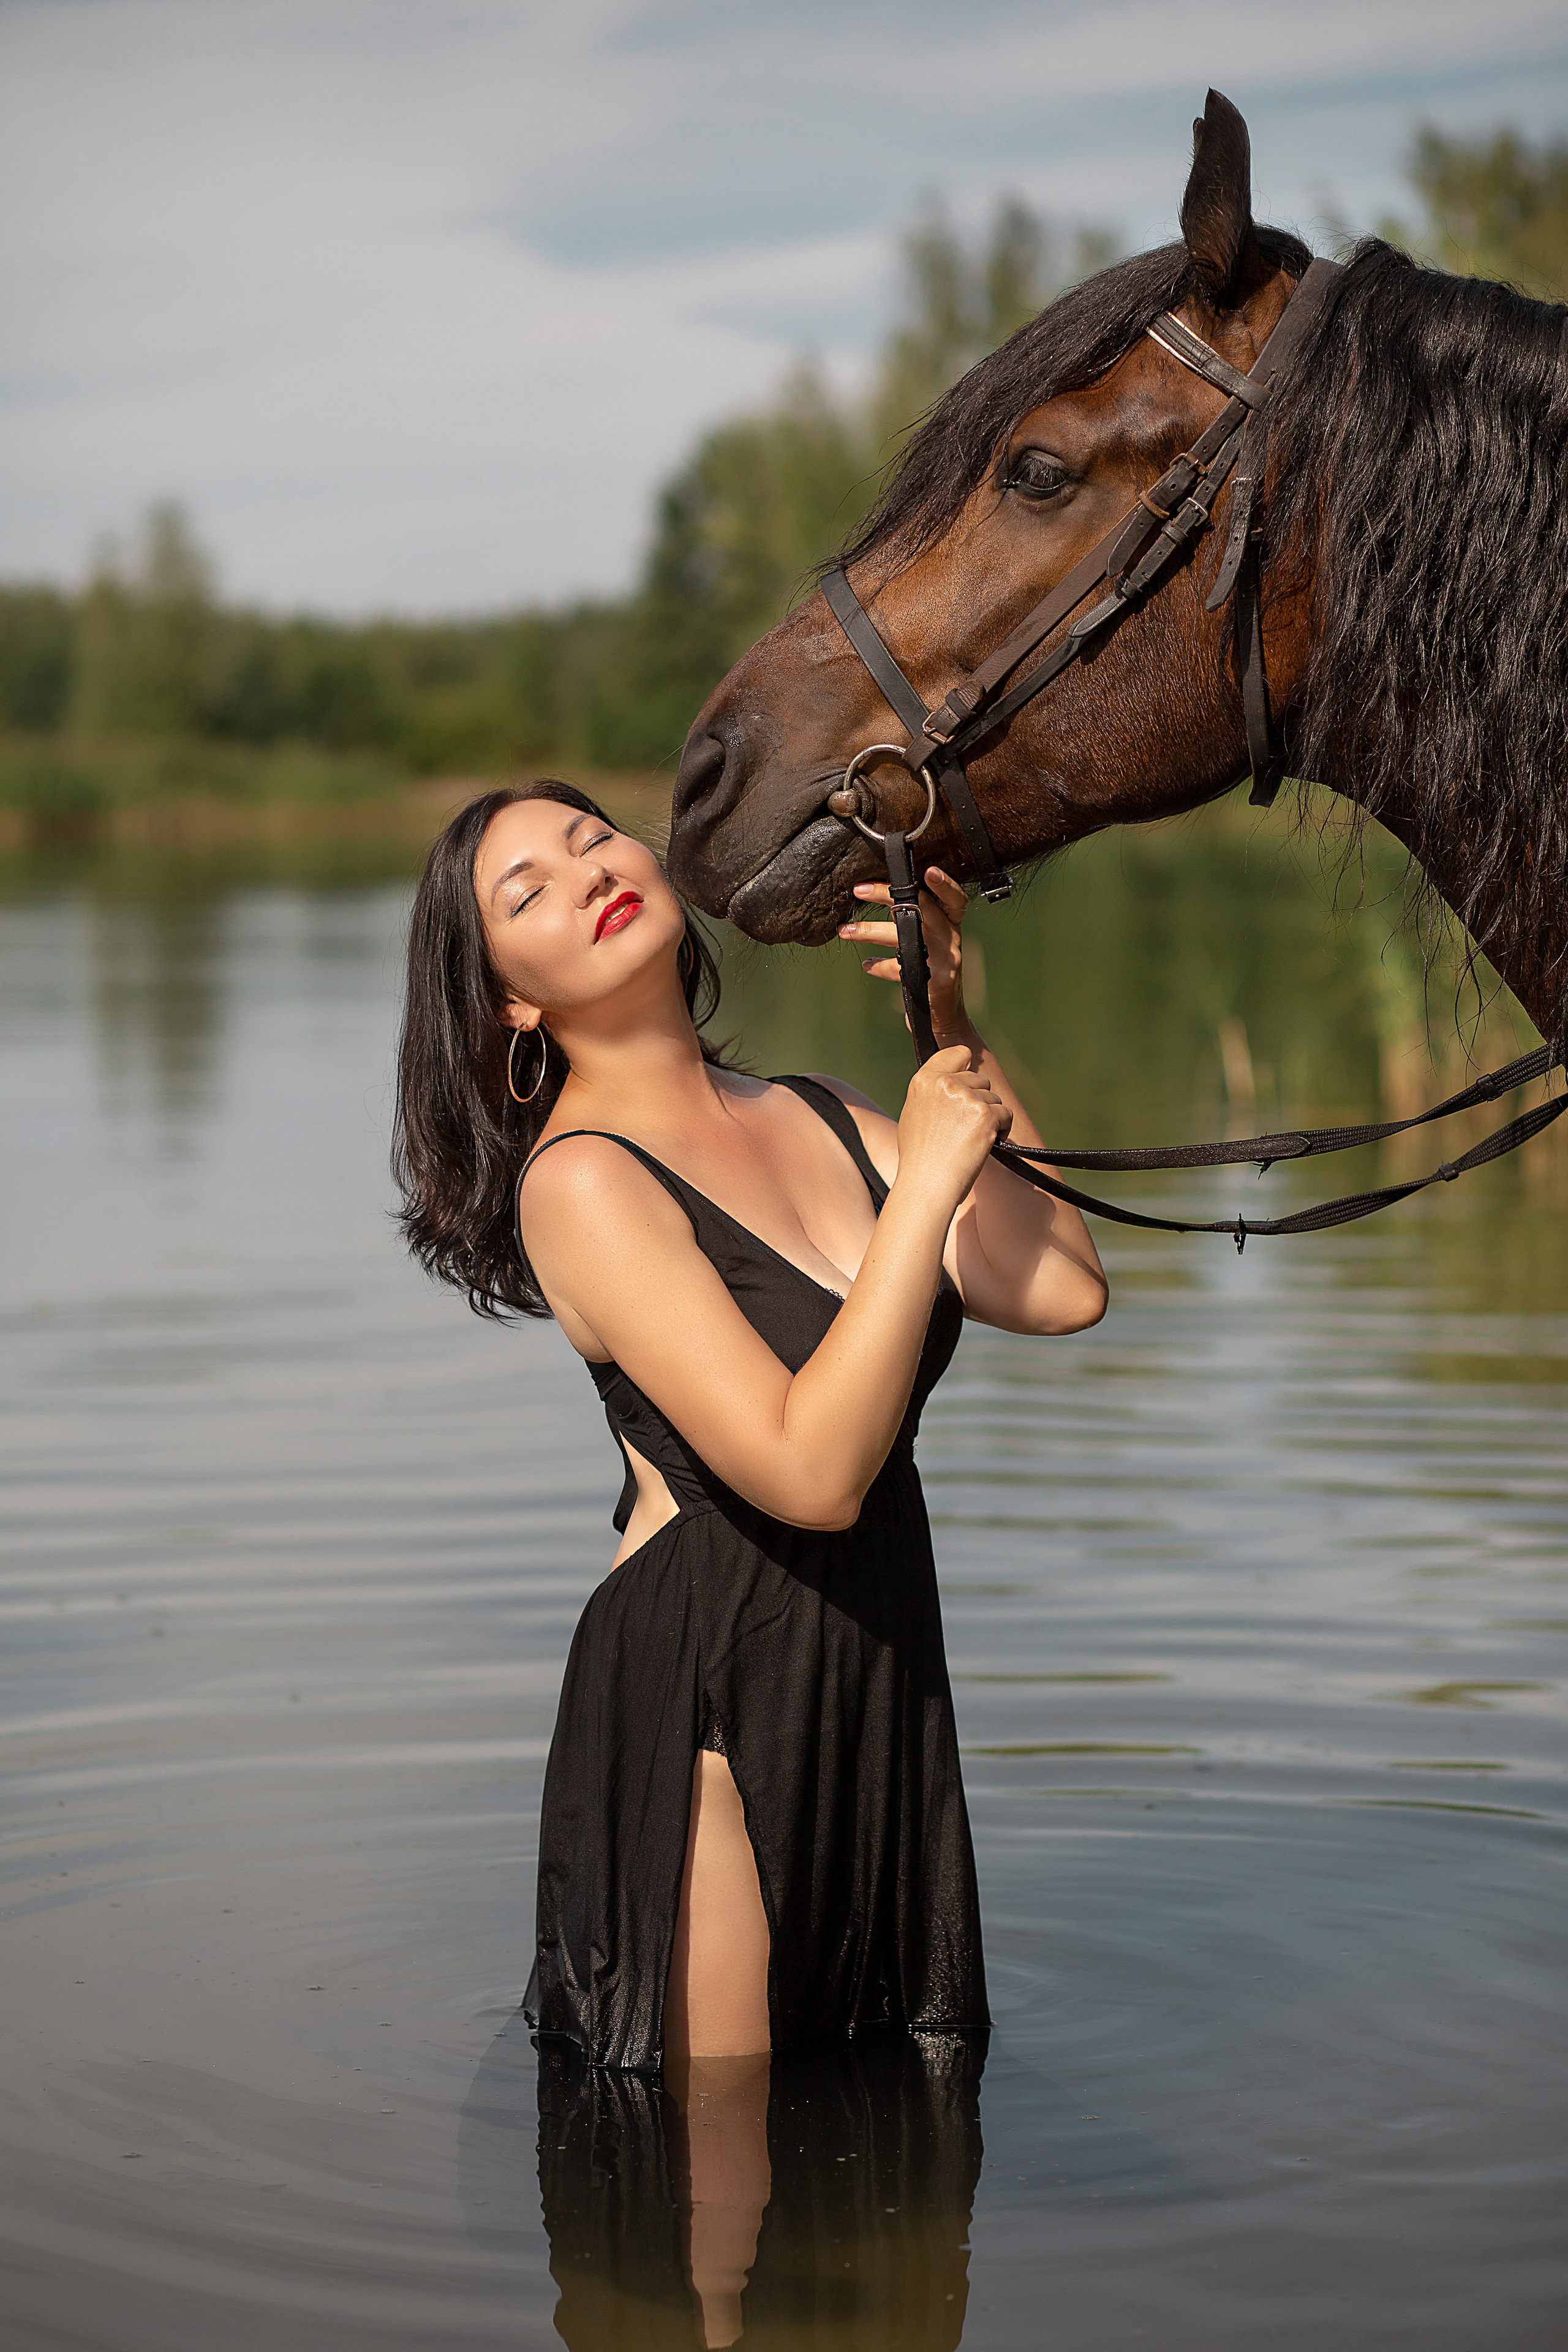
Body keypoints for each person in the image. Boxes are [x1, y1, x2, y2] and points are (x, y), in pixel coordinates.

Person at [394, 782, 1107, 2079]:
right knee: (710, 2189)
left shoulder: (823, 1112)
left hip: (875, 1654)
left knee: (887, 2136)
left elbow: (1057, 1285)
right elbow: (808, 1473)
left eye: (588, 837)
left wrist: (950, 1026)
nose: (585, 872)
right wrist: (925, 1188)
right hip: (707, 1692)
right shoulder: (582, 1180)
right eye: (528, 892)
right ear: (508, 1000)